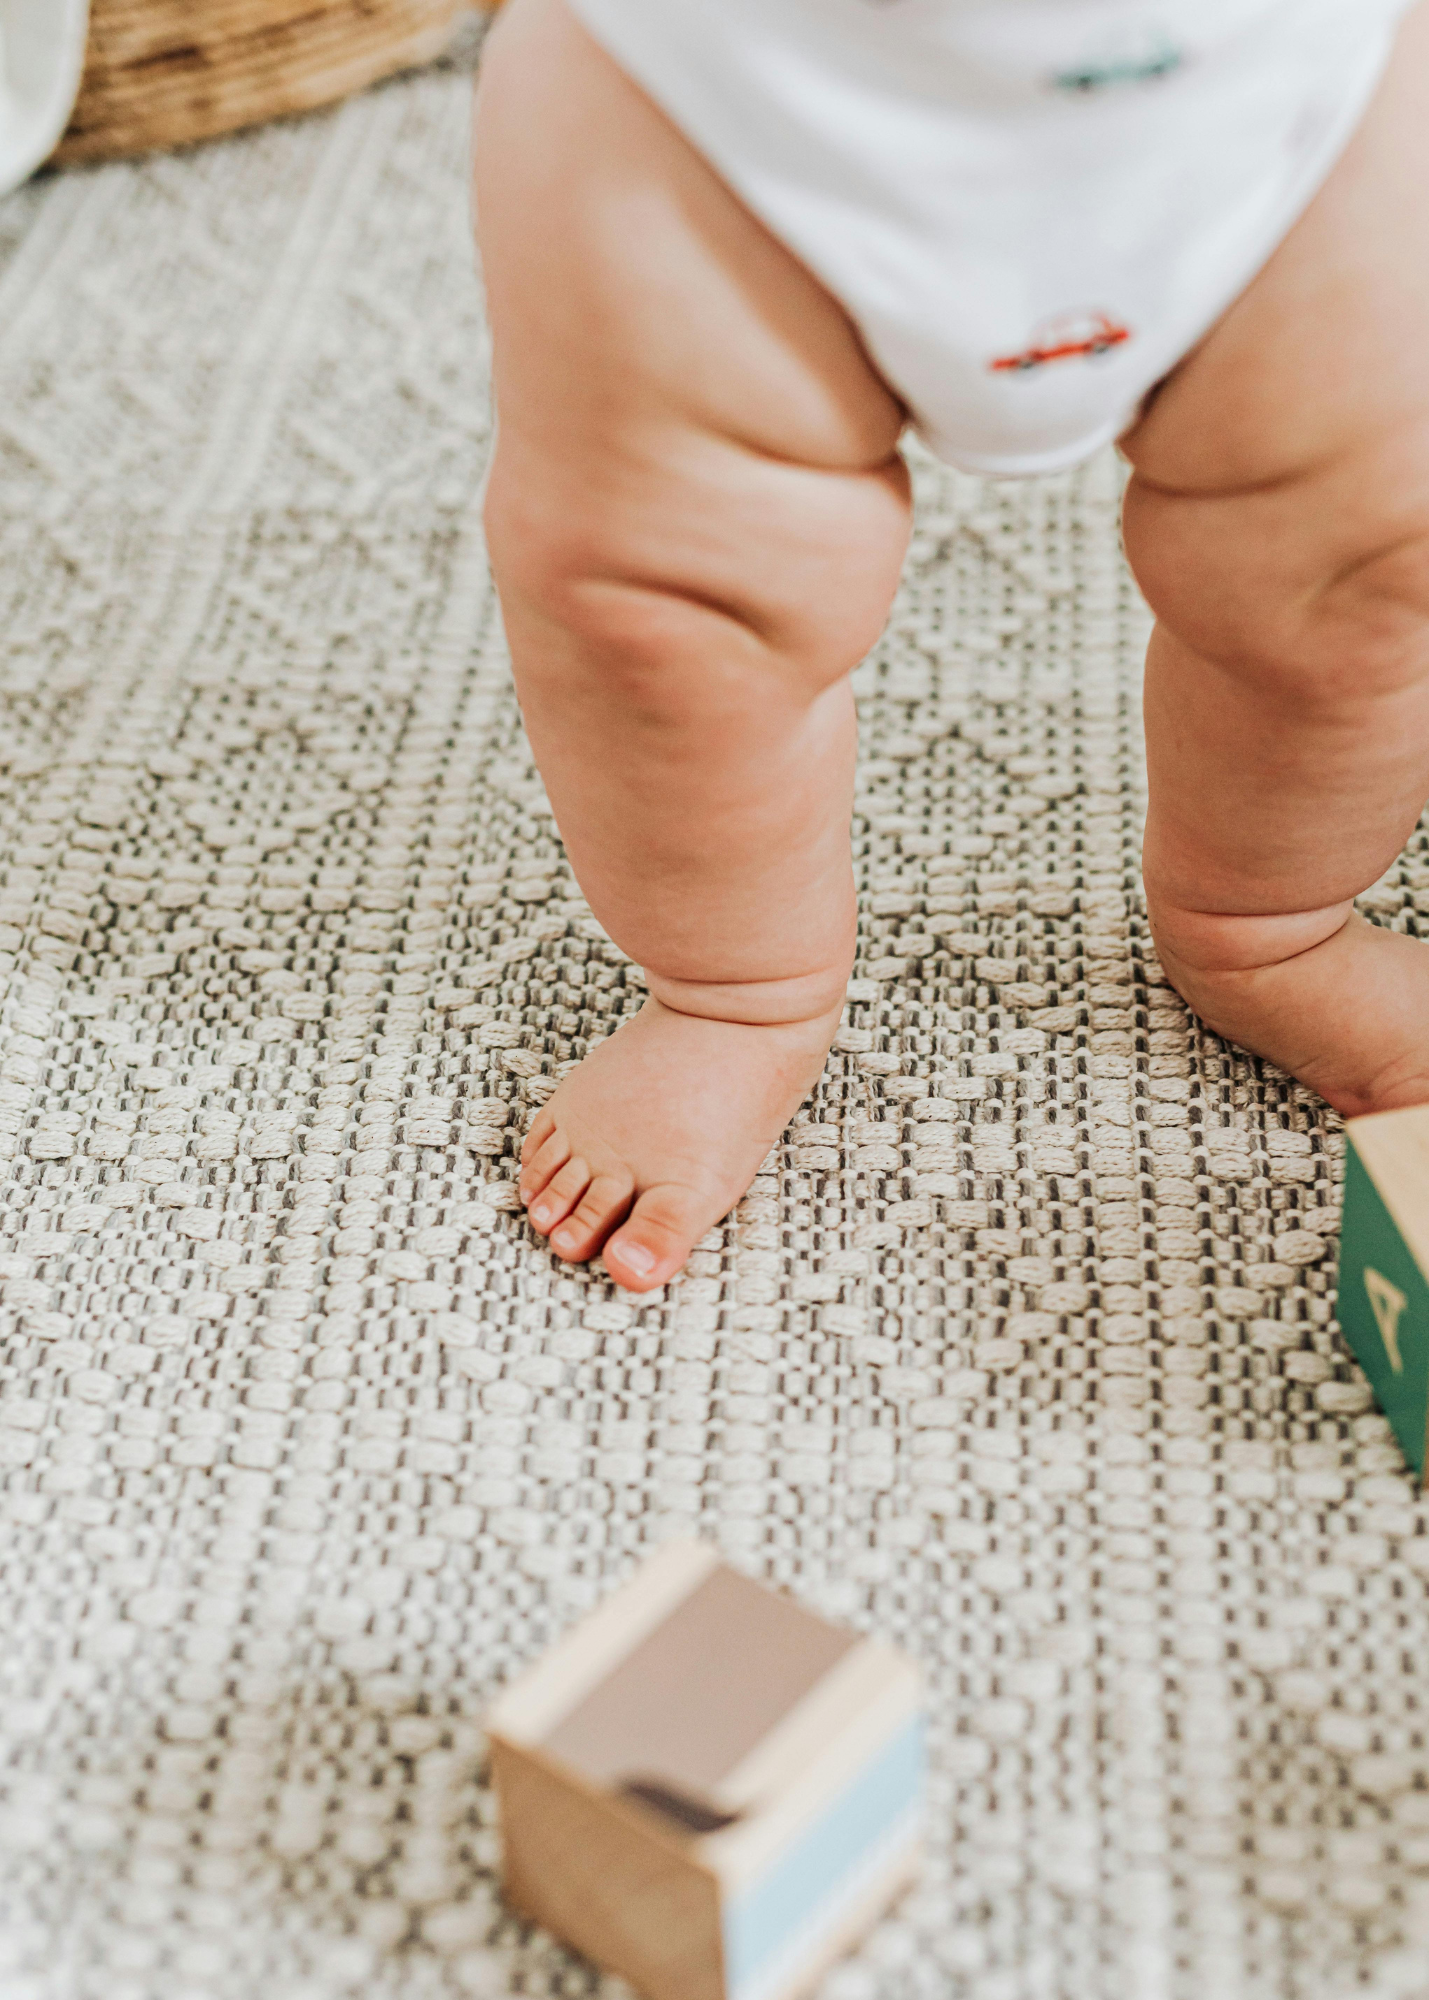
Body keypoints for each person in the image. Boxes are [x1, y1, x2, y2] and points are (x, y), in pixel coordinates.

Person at [473, 0, 1429, 1293]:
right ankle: (736, 989)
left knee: (1369, 567)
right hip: (720, 91)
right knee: (663, 611)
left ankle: (1270, 920)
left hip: (1288, 79)